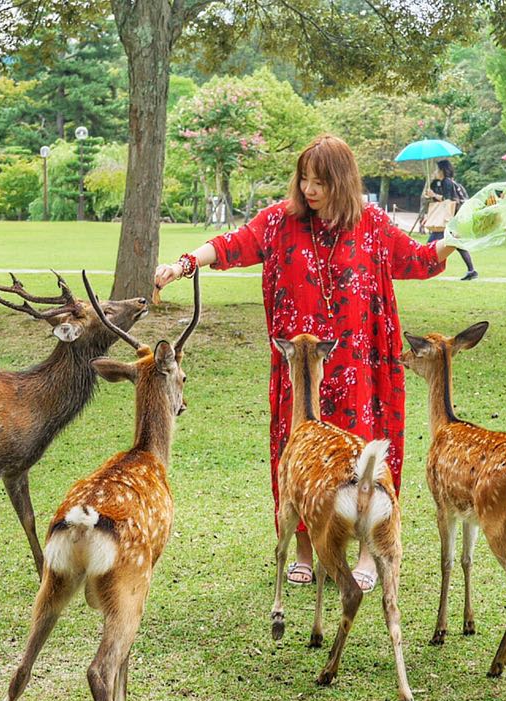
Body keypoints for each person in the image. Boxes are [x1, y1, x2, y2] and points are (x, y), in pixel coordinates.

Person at [154, 134, 455, 592]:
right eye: (304, 179)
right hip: (301, 376)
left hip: (359, 372)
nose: (310, 190)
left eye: (320, 182)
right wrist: (184, 264)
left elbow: (419, 259)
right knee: (297, 458)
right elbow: (234, 244)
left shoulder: (371, 226)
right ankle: (301, 548)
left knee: (363, 461)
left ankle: (367, 554)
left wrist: (455, 240)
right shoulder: (280, 222)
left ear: (342, 182)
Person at [424, 159, 478, 281]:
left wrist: (434, 195)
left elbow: (448, 200)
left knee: (431, 243)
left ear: (442, 170)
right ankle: (471, 270)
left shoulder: (446, 182)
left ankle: (427, 268)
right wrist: (432, 195)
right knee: (457, 244)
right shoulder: (448, 182)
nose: (436, 172)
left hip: (448, 219)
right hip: (452, 219)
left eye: (437, 169)